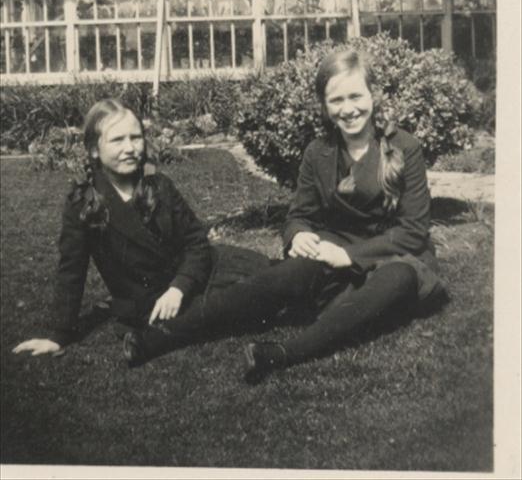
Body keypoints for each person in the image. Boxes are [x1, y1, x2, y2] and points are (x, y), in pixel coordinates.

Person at [122, 48, 447, 382]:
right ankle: (161, 336)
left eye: (355, 96)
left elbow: (413, 230)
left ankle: (281, 354)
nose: (348, 109)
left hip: (396, 259)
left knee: (397, 279)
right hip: (333, 259)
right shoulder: (318, 152)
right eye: (336, 100)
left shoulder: (404, 147)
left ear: (373, 95)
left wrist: (348, 255)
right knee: (286, 274)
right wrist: (299, 234)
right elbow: (298, 215)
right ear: (323, 105)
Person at [12, 98, 270, 358]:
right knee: (255, 299)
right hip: (149, 303)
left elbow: (197, 242)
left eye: (135, 138)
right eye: (117, 140)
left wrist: (178, 287)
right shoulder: (85, 202)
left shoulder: (158, 185)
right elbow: (71, 270)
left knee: (270, 273)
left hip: (195, 276)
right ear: (93, 150)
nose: (129, 148)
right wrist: (59, 335)